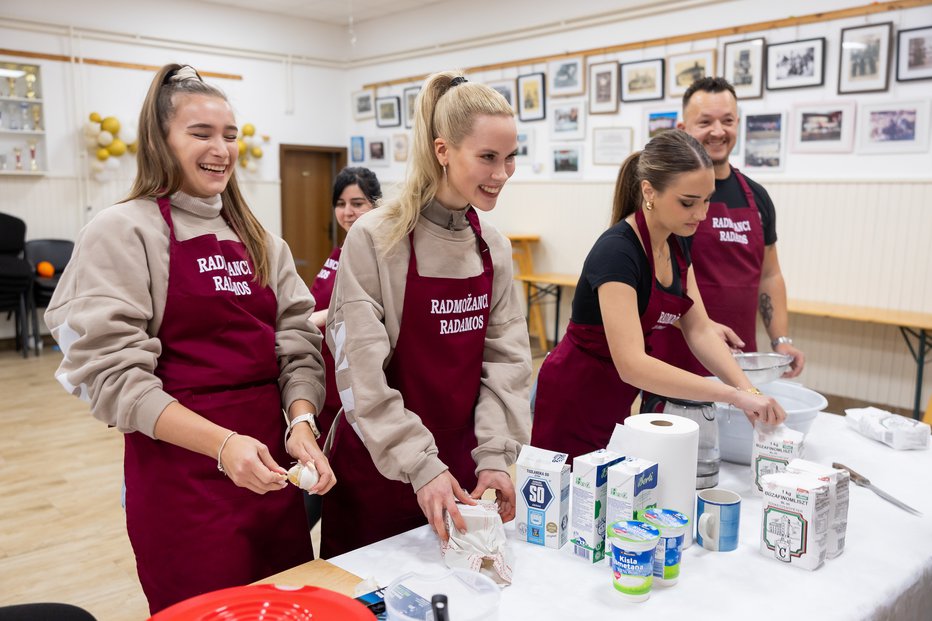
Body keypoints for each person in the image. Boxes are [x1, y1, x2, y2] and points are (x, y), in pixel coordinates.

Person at [44, 64, 335, 614]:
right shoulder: (124, 230)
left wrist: (300, 421)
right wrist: (222, 445)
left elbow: (296, 339)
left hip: (270, 473)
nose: (220, 148)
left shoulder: (258, 238)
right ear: (160, 140)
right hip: (182, 479)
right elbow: (112, 377)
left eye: (229, 134)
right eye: (200, 133)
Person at [320, 71, 531, 557]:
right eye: (487, 158)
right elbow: (362, 373)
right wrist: (419, 463)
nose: (502, 174)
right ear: (442, 150)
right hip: (381, 467)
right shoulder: (377, 239)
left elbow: (507, 364)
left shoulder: (492, 247)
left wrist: (497, 456)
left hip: (462, 473)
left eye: (510, 157)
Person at [531, 130, 786, 459]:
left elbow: (699, 328)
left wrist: (748, 390)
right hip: (574, 397)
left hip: (616, 397)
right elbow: (633, 365)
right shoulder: (617, 252)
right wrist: (733, 396)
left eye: (706, 200)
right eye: (688, 203)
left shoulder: (676, 242)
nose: (702, 214)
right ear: (649, 191)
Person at [649, 77, 805, 383]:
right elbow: (649, 277)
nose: (718, 131)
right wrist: (702, 328)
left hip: (740, 363)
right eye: (705, 122)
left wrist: (780, 340)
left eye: (728, 121)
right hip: (675, 362)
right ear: (683, 129)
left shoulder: (756, 196)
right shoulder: (665, 195)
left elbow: (770, 275)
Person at [303, 166, 380, 529]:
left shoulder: (377, 253)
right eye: (341, 203)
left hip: (350, 389)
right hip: (322, 388)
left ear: (376, 205)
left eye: (358, 203)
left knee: (336, 491)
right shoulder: (337, 252)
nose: (348, 211)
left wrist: (313, 319)